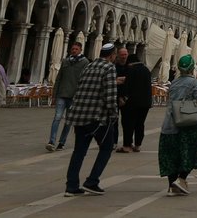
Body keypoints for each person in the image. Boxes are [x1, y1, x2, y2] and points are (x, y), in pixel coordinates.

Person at [64, 43, 119, 196]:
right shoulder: (109, 68)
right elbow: (110, 95)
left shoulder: (88, 66)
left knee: (79, 151)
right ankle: (92, 181)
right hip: (98, 117)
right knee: (107, 147)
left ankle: (71, 186)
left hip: (79, 116)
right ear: (112, 55)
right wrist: (114, 114)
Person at [159, 54, 197, 196]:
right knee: (192, 152)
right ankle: (181, 179)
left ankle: (172, 186)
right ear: (191, 68)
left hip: (169, 124)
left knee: (172, 156)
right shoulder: (196, 83)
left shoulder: (173, 83)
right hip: (188, 124)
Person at [47, 42, 87, 152]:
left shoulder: (85, 62)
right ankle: (52, 141)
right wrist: (54, 95)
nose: (74, 50)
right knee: (57, 117)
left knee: (69, 121)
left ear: (80, 50)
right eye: (72, 48)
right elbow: (59, 78)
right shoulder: (65, 61)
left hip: (74, 96)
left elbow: (84, 80)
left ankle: (62, 142)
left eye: (76, 49)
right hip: (62, 94)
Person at [117, 48, 153, 153]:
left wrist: (122, 97)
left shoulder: (131, 70)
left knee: (128, 124)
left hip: (132, 103)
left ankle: (127, 146)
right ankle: (137, 145)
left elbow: (127, 86)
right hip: (145, 103)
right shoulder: (146, 70)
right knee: (140, 124)